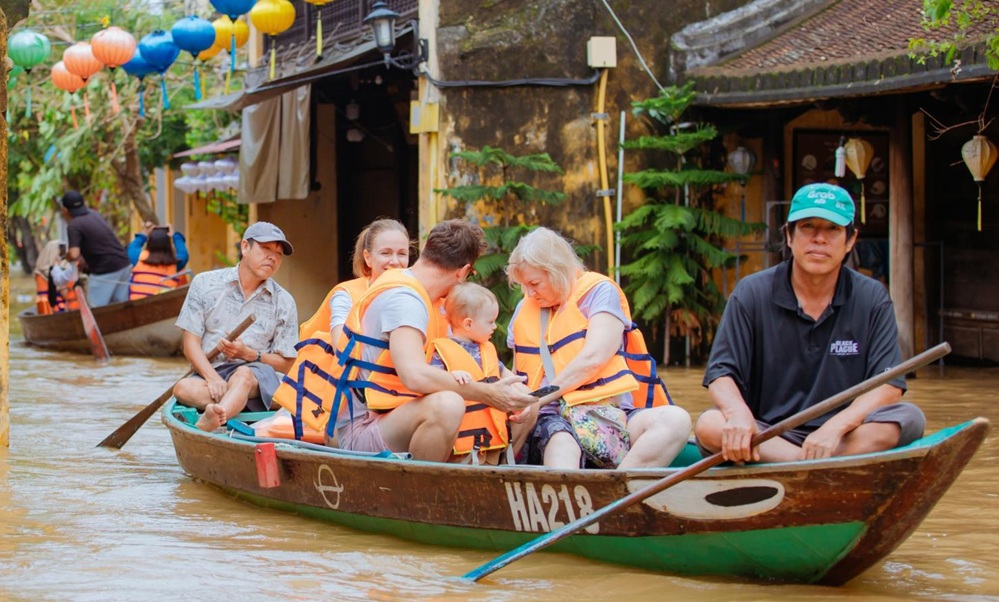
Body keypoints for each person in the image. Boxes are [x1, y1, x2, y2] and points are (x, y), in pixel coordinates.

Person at [695, 182, 925, 463]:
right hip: (767, 434)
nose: (819, 239)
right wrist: (738, 414)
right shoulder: (751, 293)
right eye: (808, 227)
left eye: (832, 229)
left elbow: (889, 385)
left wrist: (836, 427)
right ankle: (804, 463)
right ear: (789, 236)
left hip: (842, 436)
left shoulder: (871, 297)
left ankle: (800, 461)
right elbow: (721, 375)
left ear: (850, 240)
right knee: (710, 425)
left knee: (909, 418)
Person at [332, 219, 536, 462]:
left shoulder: (436, 300)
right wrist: (487, 393)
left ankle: (492, 478)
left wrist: (507, 388)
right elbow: (414, 376)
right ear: (462, 272)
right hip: (362, 428)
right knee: (447, 405)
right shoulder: (405, 299)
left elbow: (463, 354)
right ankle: (420, 494)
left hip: (400, 415)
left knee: (528, 400)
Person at [505, 227, 691, 470]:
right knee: (562, 444)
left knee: (676, 420)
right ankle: (574, 500)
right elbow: (517, 371)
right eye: (523, 285)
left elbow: (594, 357)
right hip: (551, 419)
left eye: (534, 283)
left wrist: (536, 398)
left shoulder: (599, 292)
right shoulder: (525, 308)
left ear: (557, 270)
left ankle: (617, 493)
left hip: (609, 414)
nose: (529, 293)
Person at [272, 218, 412, 439]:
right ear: (367, 257)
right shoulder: (345, 295)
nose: (395, 262)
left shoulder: (415, 295)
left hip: (395, 399)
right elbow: (341, 346)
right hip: (344, 406)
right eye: (386, 253)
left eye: (402, 254)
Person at [173, 221, 299, 432]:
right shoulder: (205, 284)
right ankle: (233, 402)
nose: (273, 257)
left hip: (257, 376)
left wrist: (251, 355)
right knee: (182, 388)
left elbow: (288, 364)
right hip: (213, 373)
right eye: (266, 248)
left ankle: (214, 418)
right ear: (245, 248)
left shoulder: (284, 302)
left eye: (278, 253)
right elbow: (190, 344)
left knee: (243, 375)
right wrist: (212, 378)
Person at [428, 282, 526, 464]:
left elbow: (509, 378)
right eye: (490, 322)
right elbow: (432, 382)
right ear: (468, 324)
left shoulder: (487, 349)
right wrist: (452, 377)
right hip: (463, 450)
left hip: (493, 445)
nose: (495, 327)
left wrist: (526, 393)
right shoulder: (441, 350)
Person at [61, 190, 132, 307]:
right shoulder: (95, 215)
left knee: (94, 309)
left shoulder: (73, 225)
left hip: (105, 270)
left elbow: (74, 254)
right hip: (124, 263)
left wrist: (66, 258)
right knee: (120, 306)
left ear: (65, 210)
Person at [128, 224, 189, 300]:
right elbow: (184, 253)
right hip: (162, 307)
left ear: (149, 242)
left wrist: (144, 233)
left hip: (136, 307)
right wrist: (175, 235)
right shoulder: (175, 263)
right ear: (168, 244)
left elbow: (132, 247)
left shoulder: (139, 258)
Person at [33, 240, 79, 314]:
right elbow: (63, 292)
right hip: (50, 310)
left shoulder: (59, 267)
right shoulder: (45, 272)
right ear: (53, 252)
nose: (62, 254)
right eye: (60, 251)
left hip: (64, 307)